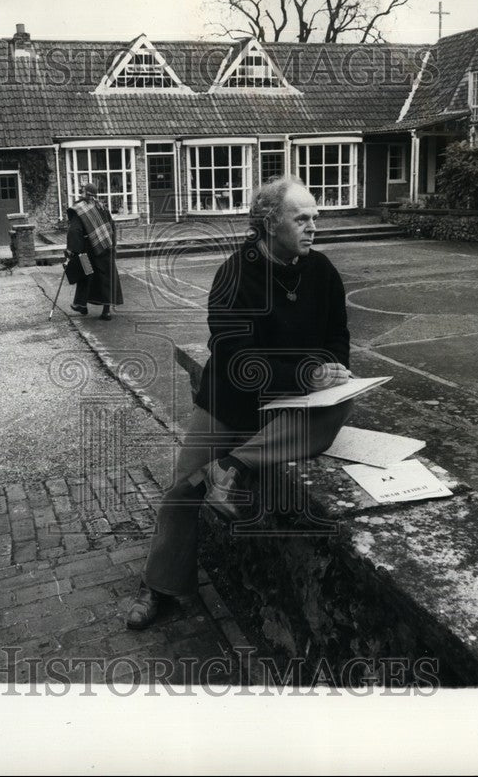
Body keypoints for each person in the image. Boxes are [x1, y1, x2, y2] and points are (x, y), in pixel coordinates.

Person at [126, 176, 353, 630]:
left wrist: (332, 372)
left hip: (294, 405)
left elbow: (337, 339)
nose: (313, 228)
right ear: (269, 223)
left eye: (315, 218)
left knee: (339, 409)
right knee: (181, 488)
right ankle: (163, 588)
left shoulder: (323, 271)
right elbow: (232, 354)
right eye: (301, 218)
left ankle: (230, 467)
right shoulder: (235, 272)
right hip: (230, 400)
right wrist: (304, 372)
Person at [66, 182, 123, 320]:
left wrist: (73, 250)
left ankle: (81, 305)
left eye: (82, 191)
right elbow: (112, 226)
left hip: (87, 249)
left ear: (86, 194)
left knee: (85, 274)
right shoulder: (102, 207)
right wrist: (112, 244)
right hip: (105, 246)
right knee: (106, 277)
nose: (80, 193)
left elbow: (75, 231)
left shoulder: (79, 209)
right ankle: (106, 311)